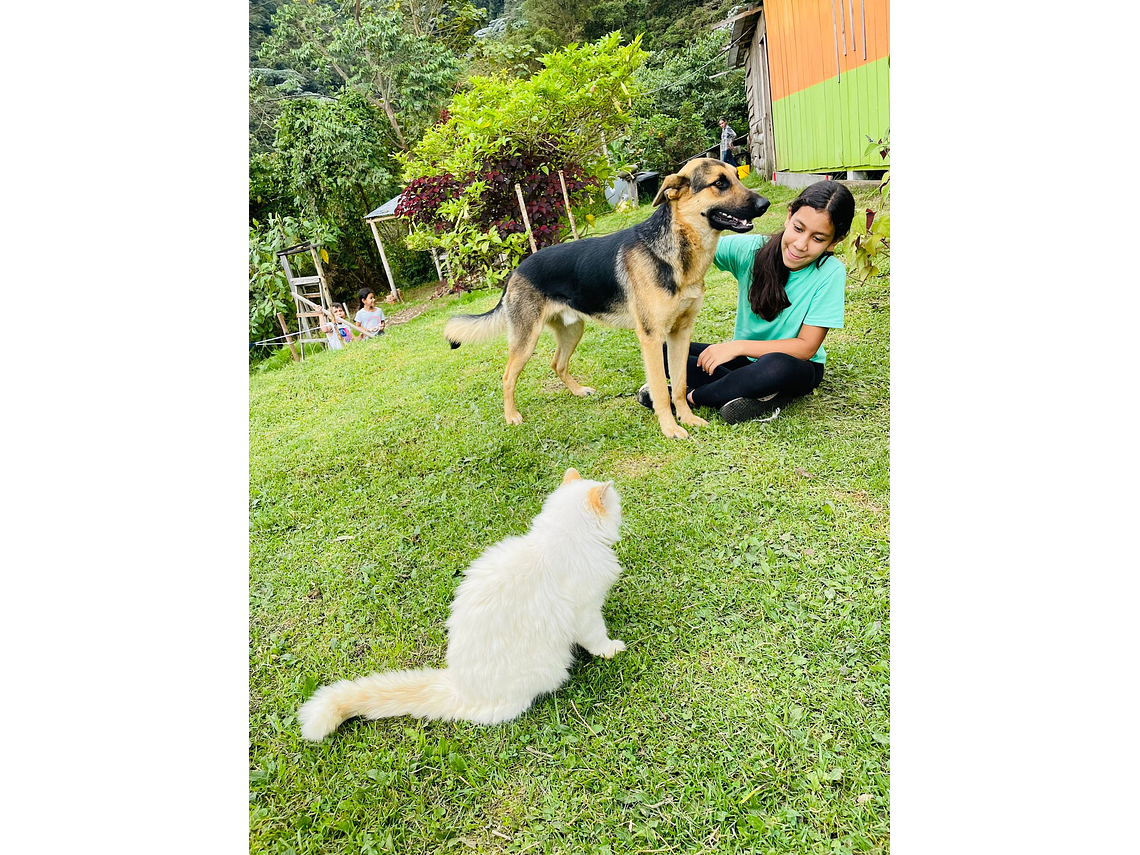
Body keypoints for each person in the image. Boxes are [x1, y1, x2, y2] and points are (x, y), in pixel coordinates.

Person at [638, 180, 856, 424]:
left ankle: (692, 397)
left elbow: (806, 348)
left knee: (775, 367)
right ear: (789, 216)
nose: (800, 244)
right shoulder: (751, 250)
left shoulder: (830, 272)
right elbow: (695, 247)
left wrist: (736, 346)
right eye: (798, 228)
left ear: (834, 242)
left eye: (817, 238)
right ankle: (755, 391)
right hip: (746, 363)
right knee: (667, 350)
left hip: (795, 365)